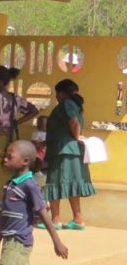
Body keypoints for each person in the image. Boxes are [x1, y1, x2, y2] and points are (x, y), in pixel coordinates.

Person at [43, 79, 94, 229]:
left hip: (62, 152)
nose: (56, 97)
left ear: (61, 93)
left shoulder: (66, 103)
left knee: (54, 181)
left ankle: (55, 220)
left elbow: (73, 122)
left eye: (57, 94)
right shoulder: (76, 105)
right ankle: (78, 219)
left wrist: (77, 136)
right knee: (73, 183)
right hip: (73, 151)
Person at [0, 66, 38, 165]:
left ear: (0, 82)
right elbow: (34, 110)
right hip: (9, 136)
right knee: (6, 164)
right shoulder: (15, 98)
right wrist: (16, 123)